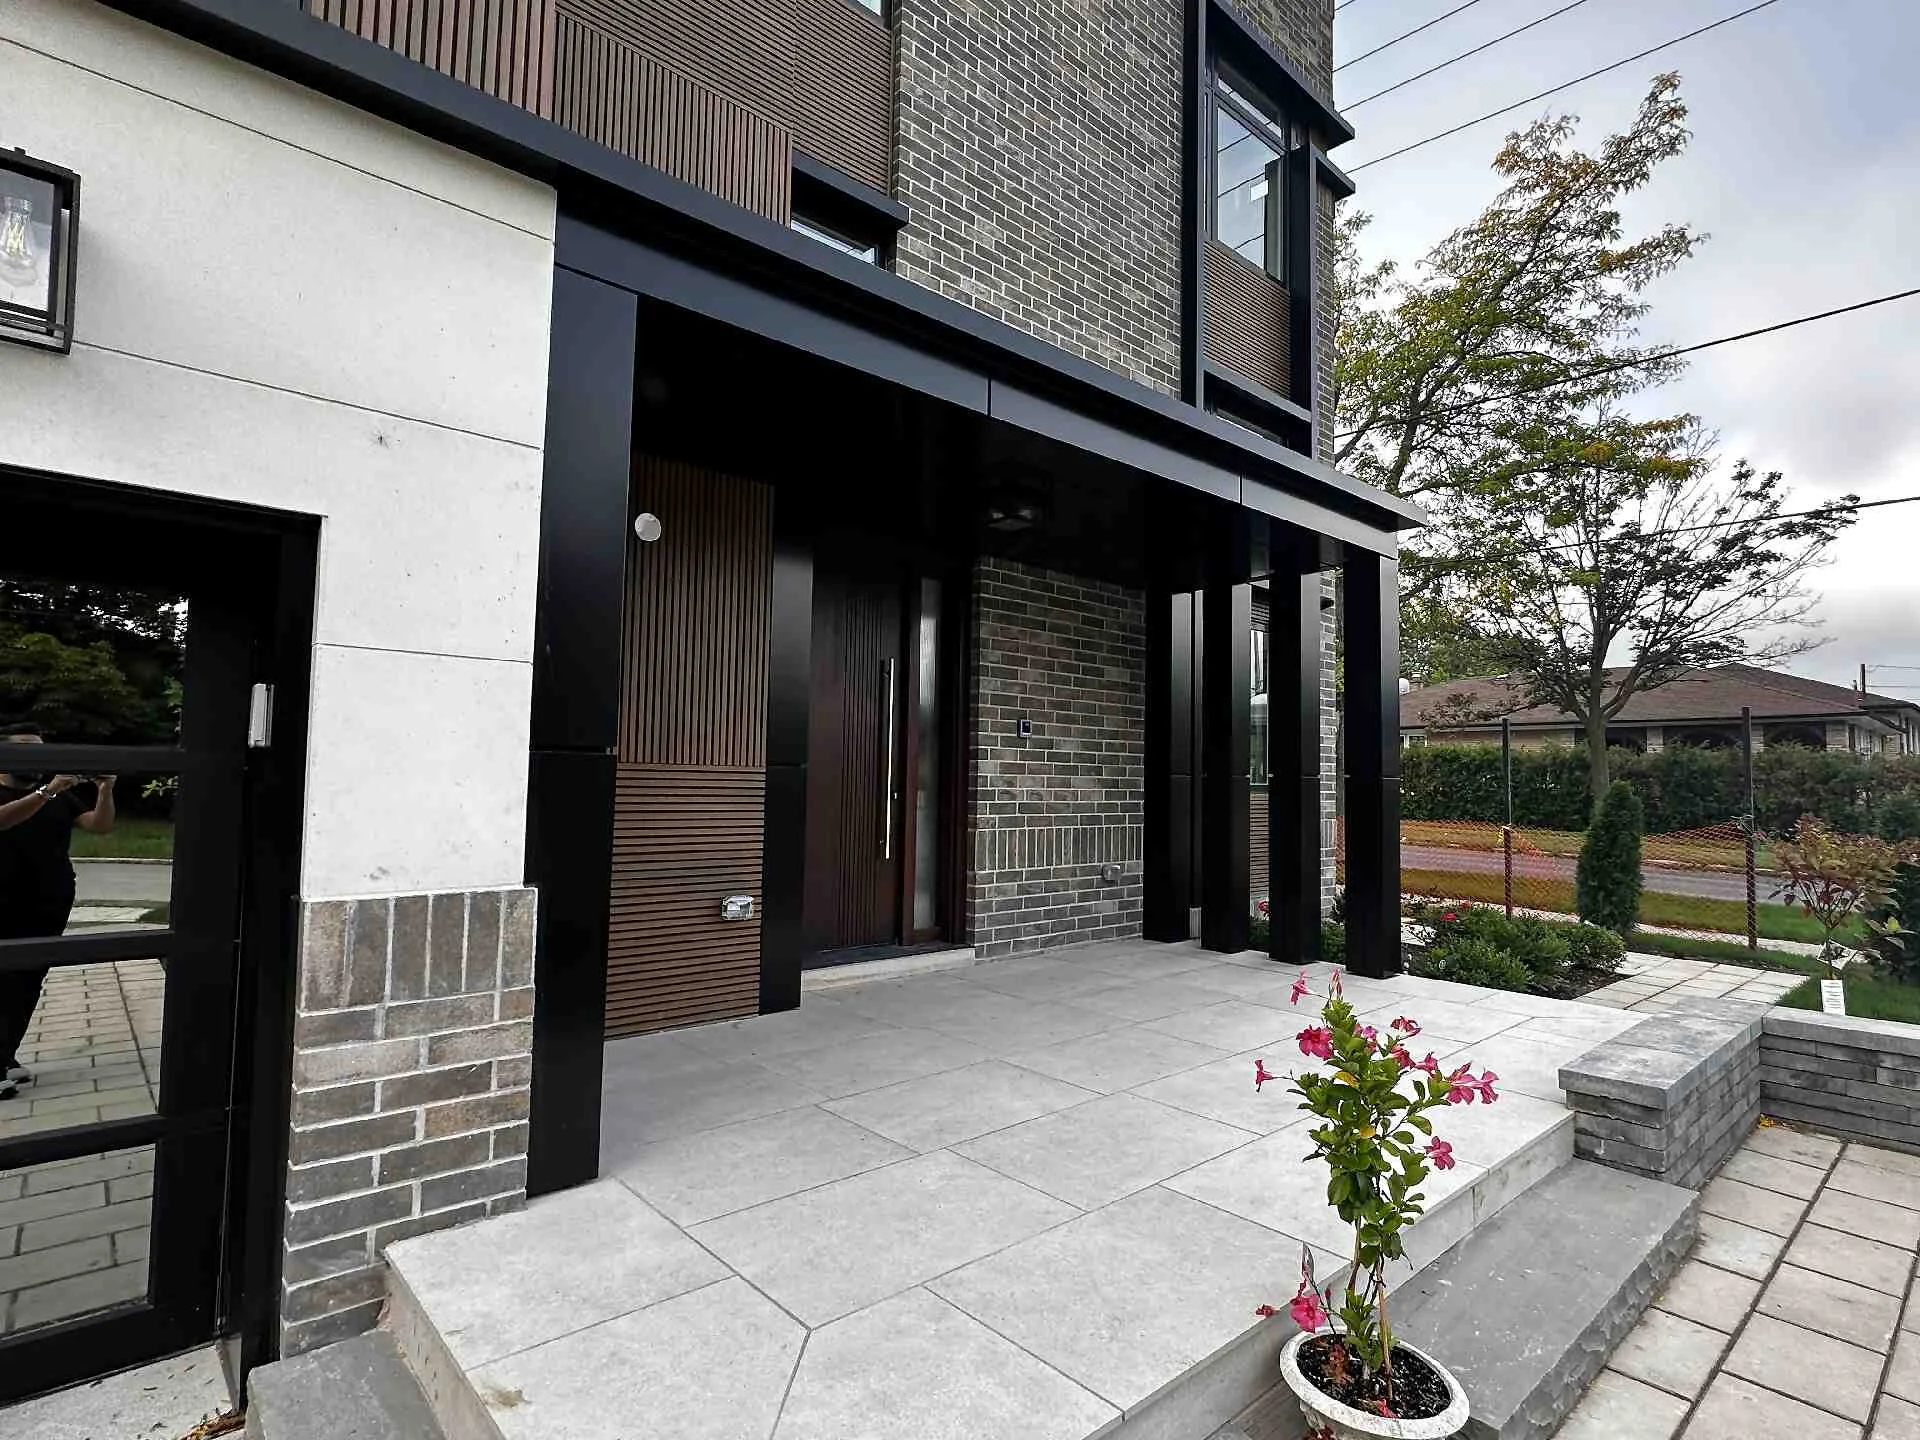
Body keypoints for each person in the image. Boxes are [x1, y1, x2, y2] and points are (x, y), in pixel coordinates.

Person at [0, 723, 115, 1101]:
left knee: (28, 979)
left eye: (40, 748)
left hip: (48, 901)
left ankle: (5, 1056)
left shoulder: (60, 798)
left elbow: (99, 825)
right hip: (2, 900)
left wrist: (105, 789)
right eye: (25, 749)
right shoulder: (46, 792)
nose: (36, 756)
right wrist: (47, 791)